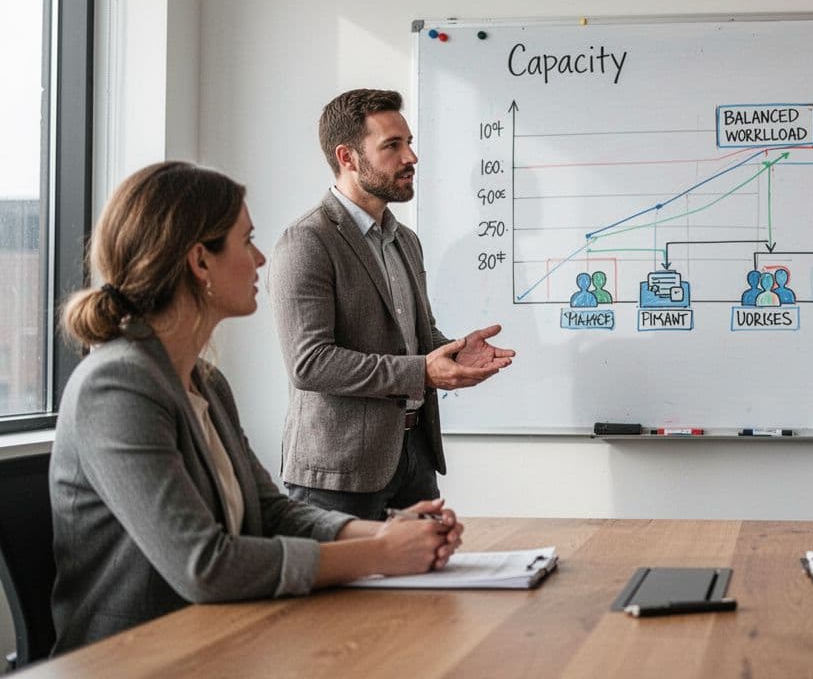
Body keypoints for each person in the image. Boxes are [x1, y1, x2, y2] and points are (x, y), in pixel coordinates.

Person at [50, 162, 464, 654]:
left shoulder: (206, 382)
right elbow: (205, 566)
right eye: (246, 241)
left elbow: (271, 512)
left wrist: (387, 531)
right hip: (138, 659)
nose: (263, 258)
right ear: (200, 262)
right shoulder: (115, 388)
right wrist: (377, 554)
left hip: (220, 642)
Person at [271, 89, 514, 520]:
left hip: (414, 456)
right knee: (348, 589)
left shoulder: (405, 240)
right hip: (339, 472)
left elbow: (416, 339)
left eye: (409, 142)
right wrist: (421, 371)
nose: (411, 157)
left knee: (432, 583)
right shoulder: (307, 242)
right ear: (347, 157)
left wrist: (455, 351)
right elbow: (309, 364)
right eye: (392, 146)